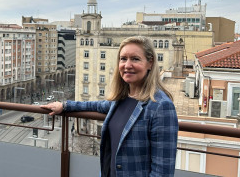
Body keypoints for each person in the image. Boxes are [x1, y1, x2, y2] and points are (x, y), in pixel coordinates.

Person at [41, 36, 178, 177]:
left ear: (150, 63)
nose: (127, 65)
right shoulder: (122, 99)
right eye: (123, 59)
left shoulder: (161, 106)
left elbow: (162, 171)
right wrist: (65, 105)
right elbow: (96, 105)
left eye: (135, 59)